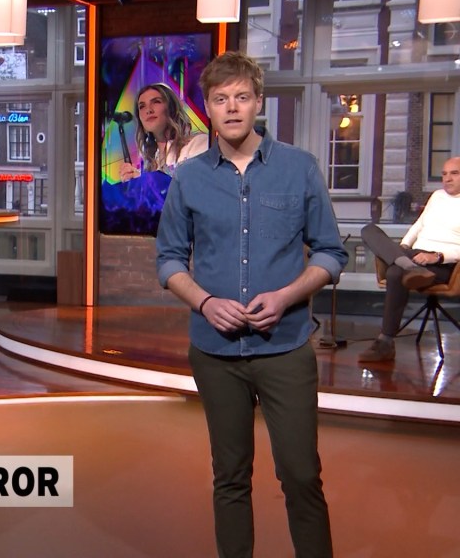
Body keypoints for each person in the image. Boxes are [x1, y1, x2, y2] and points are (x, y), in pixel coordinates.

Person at [156, 51, 346, 558]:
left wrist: (286, 296)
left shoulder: (299, 168)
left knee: (301, 474)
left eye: (242, 97)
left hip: (285, 349)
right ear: (208, 108)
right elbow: (168, 260)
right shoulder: (189, 178)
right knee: (230, 476)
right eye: (221, 99)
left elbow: (331, 252)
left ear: (258, 102)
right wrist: (204, 303)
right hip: (215, 353)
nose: (232, 108)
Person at [358, 156, 460, 362]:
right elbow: (419, 225)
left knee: (395, 272)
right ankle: (406, 264)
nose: (447, 179)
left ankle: (385, 342)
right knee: (368, 230)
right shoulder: (437, 196)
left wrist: (437, 257)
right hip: (414, 256)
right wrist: (402, 249)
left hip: (442, 264)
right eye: (444, 174)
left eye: (454, 173)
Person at [118, 82, 209, 182]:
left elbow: (198, 186)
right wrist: (136, 184)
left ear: (171, 108)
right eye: (142, 106)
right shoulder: (149, 165)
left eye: (156, 102)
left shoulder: (199, 143)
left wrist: (148, 182)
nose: (148, 110)